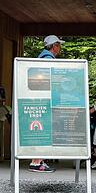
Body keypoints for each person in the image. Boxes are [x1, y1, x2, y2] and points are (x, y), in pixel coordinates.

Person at [29, 35, 64, 173]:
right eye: (59, 45)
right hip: (45, 100)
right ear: (54, 46)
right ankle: (36, 162)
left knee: (42, 129)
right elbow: (50, 80)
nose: (60, 48)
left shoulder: (42, 57)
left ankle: (38, 161)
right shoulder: (48, 59)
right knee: (44, 130)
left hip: (40, 99)